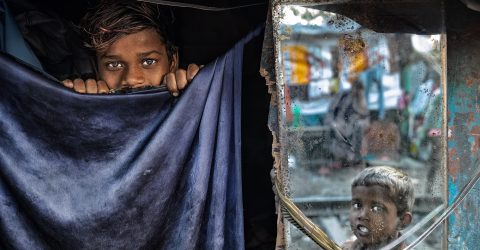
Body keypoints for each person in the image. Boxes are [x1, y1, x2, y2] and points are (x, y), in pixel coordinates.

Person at [61, 0, 200, 96]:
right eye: (114, 64)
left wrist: (201, 88)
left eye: (148, 62)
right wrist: (79, 107)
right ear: (97, 70)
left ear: (172, 62)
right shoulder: (84, 108)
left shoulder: (194, 98)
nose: (132, 79)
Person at [343, 166, 414, 250]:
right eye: (357, 205)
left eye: (377, 209)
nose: (362, 215)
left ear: (402, 221)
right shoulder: (349, 246)